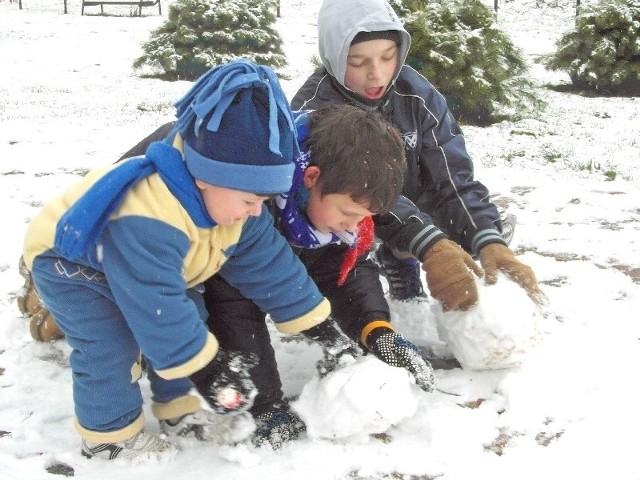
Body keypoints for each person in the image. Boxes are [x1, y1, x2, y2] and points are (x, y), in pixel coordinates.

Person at [18, 103, 439, 450]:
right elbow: (162, 310)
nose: (260, 210)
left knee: (191, 315)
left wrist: (328, 332)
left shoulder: (242, 197)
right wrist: (212, 372)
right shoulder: (157, 218)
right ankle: (111, 440)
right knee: (114, 345)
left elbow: (274, 270)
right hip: (76, 265)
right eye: (253, 201)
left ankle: (176, 410)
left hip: (168, 266)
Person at [291, 0, 544, 309]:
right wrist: (429, 244)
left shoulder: (416, 94)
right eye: (358, 62)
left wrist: (488, 237)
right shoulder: (315, 111)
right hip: (345, 214)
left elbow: (452, 176)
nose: (377, 74)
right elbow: (351, 195)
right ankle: (343, 297)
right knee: (337, 231)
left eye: (387, 57)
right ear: (334, 57)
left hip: (410, 198)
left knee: (457, 220)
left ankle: (398, 257)